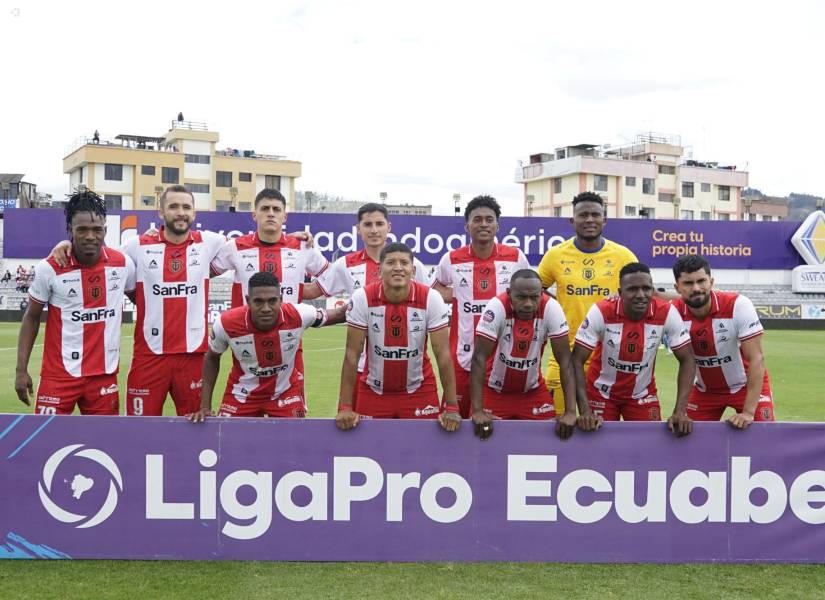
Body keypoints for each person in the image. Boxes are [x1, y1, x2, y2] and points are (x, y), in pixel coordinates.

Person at [50, 185, 226, 416]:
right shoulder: (137, 246)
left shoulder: (211, 242)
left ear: (194, 213)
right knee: (139, 431)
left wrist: (292, 238)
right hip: (149, 356)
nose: (180, 212)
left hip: (192, 356)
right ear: (161, 212)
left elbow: (254, 243)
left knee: (196, 428)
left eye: (186, 207)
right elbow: (98, 257)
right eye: (173, 206)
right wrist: (68, 244)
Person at [15, 189, 136, 415]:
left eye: (97, 229)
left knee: (103, 446)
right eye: (82, 229)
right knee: (46, 444)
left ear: (105, 231)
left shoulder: (122, 264)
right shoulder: (49, 268)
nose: (90, 236)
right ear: (70, 230)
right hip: (58, 376)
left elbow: (141, 299)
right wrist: (21, 370)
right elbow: (31, 317)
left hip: (104, 375)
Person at [210, 188, 329, 406]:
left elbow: (328, 277)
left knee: (291, 413)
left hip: (289, 336)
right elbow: (198, 273)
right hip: (246, 335)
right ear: (254, 215)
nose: (271, 213)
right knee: (244, 397)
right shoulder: (235, 247)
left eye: (276, 209)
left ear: (285, 216)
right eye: (265, 209)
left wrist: (304, 292)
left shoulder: (303, 247)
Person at [302, 202, 429, 407]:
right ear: (358, 229)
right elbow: (313, 291)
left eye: (379, 224)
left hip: (407, 364)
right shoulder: (345, 264)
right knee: (358, 430)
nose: (374, 230)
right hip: (360, 368)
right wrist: (286, 250)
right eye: (368, 224)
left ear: (389, 226)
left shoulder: (412, 265)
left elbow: (432, 300)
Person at [336, 242, 460, 432]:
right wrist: (345, 406)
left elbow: (442, 354)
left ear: (413, 270)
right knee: (372, 449)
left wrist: (451, 406)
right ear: (379, 269)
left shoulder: (430, 298)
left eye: (404, 263)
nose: (398, 268)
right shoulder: (363, 298)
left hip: (419, 390)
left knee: (423, 455)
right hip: (373, 391)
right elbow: (352, 354)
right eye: (391, 262)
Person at [188, 272, 345, 421]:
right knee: (230, 445)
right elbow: (212, 357)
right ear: (248, 300)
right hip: (241, 394)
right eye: (258, 302)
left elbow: (338, 315)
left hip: (285, 393)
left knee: (294, 444)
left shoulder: (299, 314)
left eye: (272, 301)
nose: (266, 308)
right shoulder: (226, 323)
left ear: (281, 299)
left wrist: (365, 298)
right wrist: (205, 406)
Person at [537, 191, 638, 417]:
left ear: (605, 219)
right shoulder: (555, 255)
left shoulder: (624, 256)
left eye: (595, 214)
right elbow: (535, 292)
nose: (590, 220)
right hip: (565, 355)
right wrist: (556, 309)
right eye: (583, 215)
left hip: (611, 359)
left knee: (605, 431)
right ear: (572, 220)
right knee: (563, 425)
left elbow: (643, 294)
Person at [469, 269, 600, 440]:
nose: (528, 304)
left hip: (532, 392)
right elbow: (479, 359)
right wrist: (478, 410)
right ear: (509, 293)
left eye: (534, 297)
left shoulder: (551, 308)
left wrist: (569, 411)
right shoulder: (497, 307)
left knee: (551, 441)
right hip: (493, 391)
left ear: (542, 294)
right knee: (482, 440)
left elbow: (565, 361)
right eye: (521, 297)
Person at [432, 195, 530, 418]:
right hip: (461, 355)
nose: (483, 224)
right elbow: (435, 291)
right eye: (477, 220)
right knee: (454, 419)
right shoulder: (451, 259)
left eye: (489, 219)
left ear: (498, 225)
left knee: (495, 424)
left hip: (503, 355)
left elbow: (529, 294)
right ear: (467, 226)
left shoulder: (515, 257)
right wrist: (457, 293)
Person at [571, 262, 695, 435]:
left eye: (646, 288)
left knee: (648, 448)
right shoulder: (601, 311)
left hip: (642, 395)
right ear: (621, 293)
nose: (640, 295)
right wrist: (584, 410)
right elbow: (576, 360)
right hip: (601, 393)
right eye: (632, 289)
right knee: (599, 447)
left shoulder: (666, 312)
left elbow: (688, 358)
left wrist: (681, 410)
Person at [671, 255, 775, 428]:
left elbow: (757, 359)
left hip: (745, 386)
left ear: (711, 282)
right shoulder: (673, 313)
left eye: (701, 281)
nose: (696, 288)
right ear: (677, 287)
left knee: (763, 437)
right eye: (688, 283)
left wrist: (748, 413)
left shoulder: (738, 305)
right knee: (686, 438)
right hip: (705, 390)